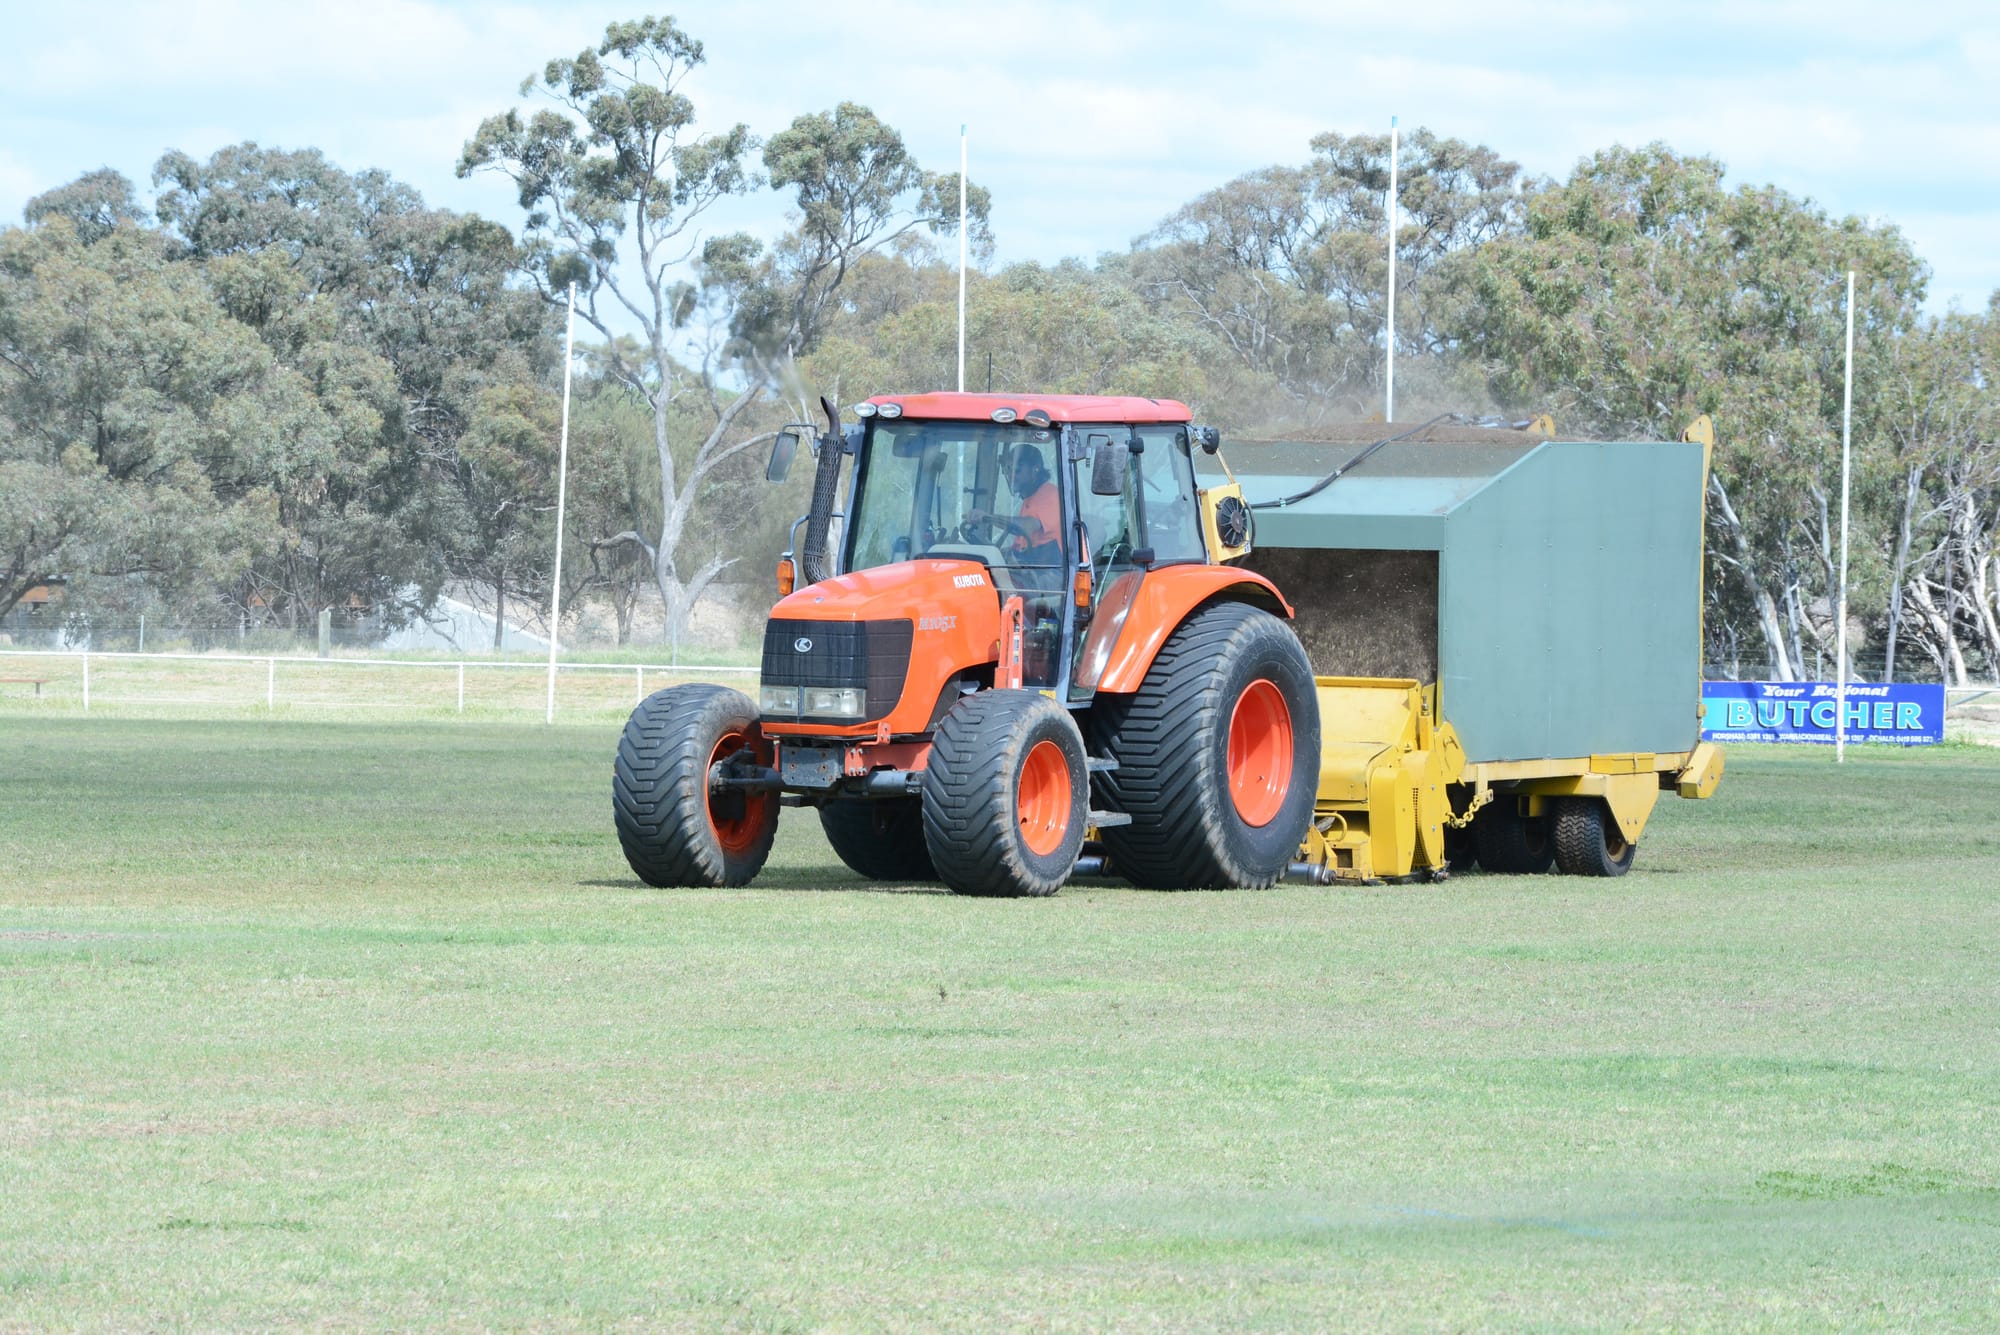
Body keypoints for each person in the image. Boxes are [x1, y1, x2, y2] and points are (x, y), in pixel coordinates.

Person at [968, 445, 1059, 561]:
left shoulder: (1050, 495)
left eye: (1017, 470)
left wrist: (987, 517)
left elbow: (1027, 526)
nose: (1011, 476)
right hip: (1034, 567)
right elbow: (1021, 545)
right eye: (1008, 470)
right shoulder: (1028, 500)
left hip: (1051, 572)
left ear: (1035, 469)